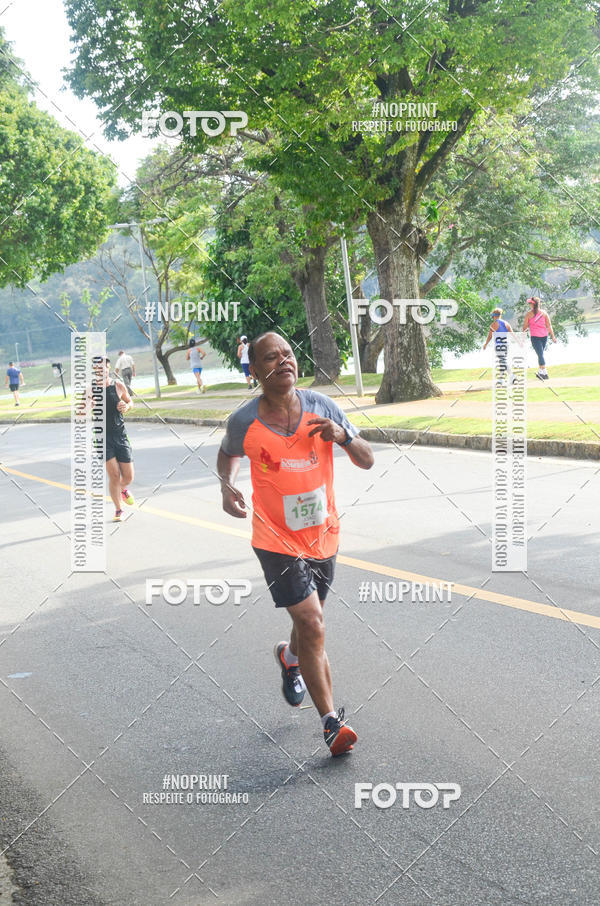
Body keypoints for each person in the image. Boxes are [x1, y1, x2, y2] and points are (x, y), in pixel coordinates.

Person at [217, 331, 375, 757]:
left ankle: (289, 656)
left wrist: (341, 436)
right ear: (255, 371)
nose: (284, 361)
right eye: (272, 357)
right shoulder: (244, 421)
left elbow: (367, 458)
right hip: (274, 538)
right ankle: (330, 723)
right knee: (314, 623)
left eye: (288, 354)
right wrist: (227, 487)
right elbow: (227, 453)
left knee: (309, 623)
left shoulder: (323, 407)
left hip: (323, 535)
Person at [93, 357, 135, 522]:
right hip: (102, 437)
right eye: (98, 368)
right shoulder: (90, 390)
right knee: (114, 475)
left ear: (108, 368)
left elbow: (130, 401)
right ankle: (119, 510)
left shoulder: (118, 385)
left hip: (120, 435)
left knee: (129, 477)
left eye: (104, 367)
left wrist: (126, 407)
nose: (101, 370)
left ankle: (122, 489)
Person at [522, 296, 556, 380]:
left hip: (544, 337)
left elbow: (549, 325)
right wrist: (522, 338)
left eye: (530, 303)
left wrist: (553, 336)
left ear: (533, 304)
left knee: (540, 354)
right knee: (540, 354)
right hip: (535, 338)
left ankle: (542, 372)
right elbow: (525, 328)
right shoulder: (529, 314)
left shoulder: (543, 313)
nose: (529, 304)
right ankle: (544, 373)